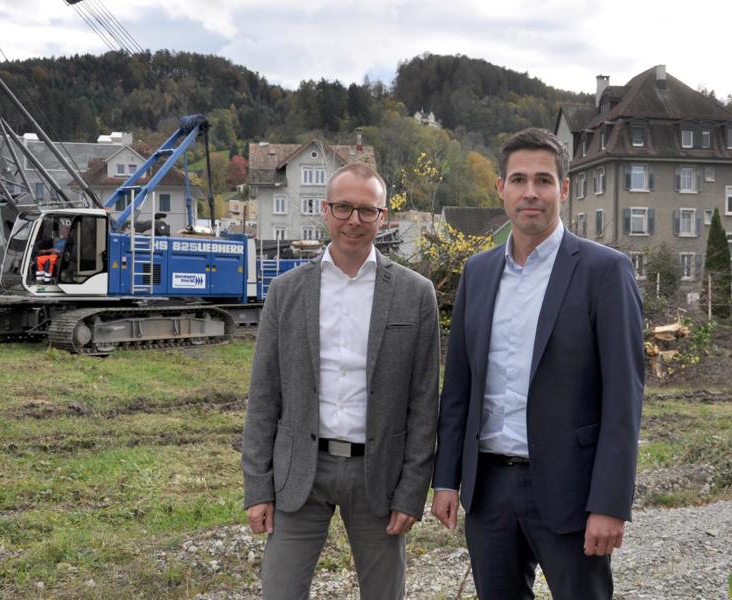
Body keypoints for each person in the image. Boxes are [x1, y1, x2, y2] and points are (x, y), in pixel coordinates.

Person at [431, 128, 644, 599]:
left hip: (571, 490)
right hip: (488, 492)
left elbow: (623, 400)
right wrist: (446, 479)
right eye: (519, 179)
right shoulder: (478, 272)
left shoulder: (604, 272)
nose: (531, 193)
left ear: (563, 189)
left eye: (544, 180)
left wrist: (610, 504)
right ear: (500, 189)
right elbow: (459, 389)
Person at [241, 163, 440, 600]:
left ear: (382, 217)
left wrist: (411, 493)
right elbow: (263, 396)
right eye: (344, 208)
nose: (354, 220)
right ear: (326, 211)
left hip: (379, 476)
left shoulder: (415, 293)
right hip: (299, 472)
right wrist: (257, 486)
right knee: (280, 592)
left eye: (366, 210)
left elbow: (424, 404)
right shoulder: (286, 291)